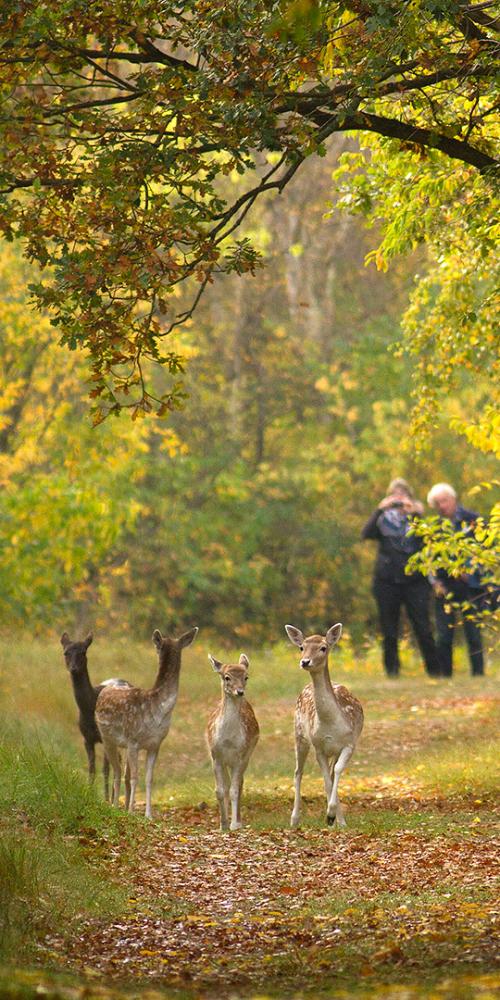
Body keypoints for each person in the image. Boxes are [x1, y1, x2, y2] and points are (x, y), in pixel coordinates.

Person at [362, 478, 441, 677]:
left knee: (423, 628)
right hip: (386, 582)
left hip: (416, 583)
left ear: (410, 498)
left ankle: (435, 671)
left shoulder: (416, 519)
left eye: (402, 495)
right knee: (389, 631)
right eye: (394, 495)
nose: (398, 500)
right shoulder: (382, 520)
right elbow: (365, 533)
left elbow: (430, 540)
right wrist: (379, 509)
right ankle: (392, 672)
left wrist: (416, 515)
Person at [427, 482, 485, 677]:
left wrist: (471, 571)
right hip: (445, 587)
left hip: (471, 585)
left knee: (474, 634)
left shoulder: (473, 520)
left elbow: (484, 551)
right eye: (438, 503)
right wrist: (435, 583)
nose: (442, 505)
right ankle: (446, 675)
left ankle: (478, 674)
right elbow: (427, 560)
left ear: (453, 499)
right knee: (444, 636)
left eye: (444, 500)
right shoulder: (434, 528)